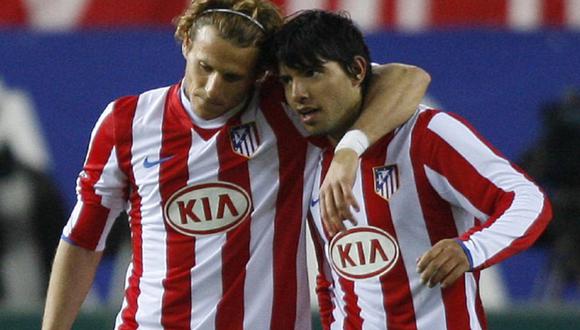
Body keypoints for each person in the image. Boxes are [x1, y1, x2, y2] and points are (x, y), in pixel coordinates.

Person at [41, 1, 430, 329]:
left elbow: (409, 78)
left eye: (231, 77)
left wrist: (348, 150)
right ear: (187, 44)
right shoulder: (127, 122)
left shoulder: (285, 108)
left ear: (260, 75)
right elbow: (83, 240)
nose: (212, 88)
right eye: (204, 67)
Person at [271, 10, 552, 329]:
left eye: (312, 73)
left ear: (358, 71)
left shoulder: (428, 135)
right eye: (287, 80)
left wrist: (470, 249)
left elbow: (529, 202)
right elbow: (332, 279)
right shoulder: (309, 156)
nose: (298, 94)